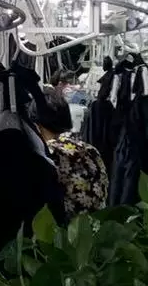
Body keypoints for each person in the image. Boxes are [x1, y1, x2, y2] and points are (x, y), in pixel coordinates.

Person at [33, 84, 106, 217]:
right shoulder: (91, 151)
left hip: (66, 229)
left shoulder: (48, 154)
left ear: (37, 124)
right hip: (97, 225)